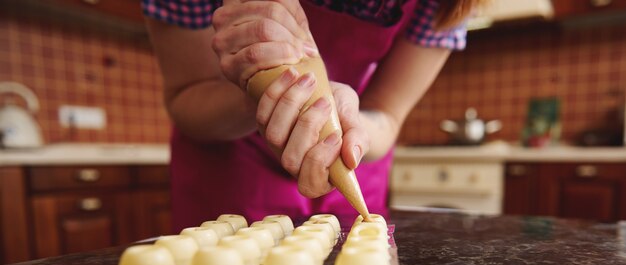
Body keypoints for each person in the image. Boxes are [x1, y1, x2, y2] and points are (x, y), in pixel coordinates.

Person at [142, 0, 483, 230]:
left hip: (352, 160)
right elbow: (188, 94)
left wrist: (348, 122)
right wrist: (263, 98)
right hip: (231, 169)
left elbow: (387, 115)